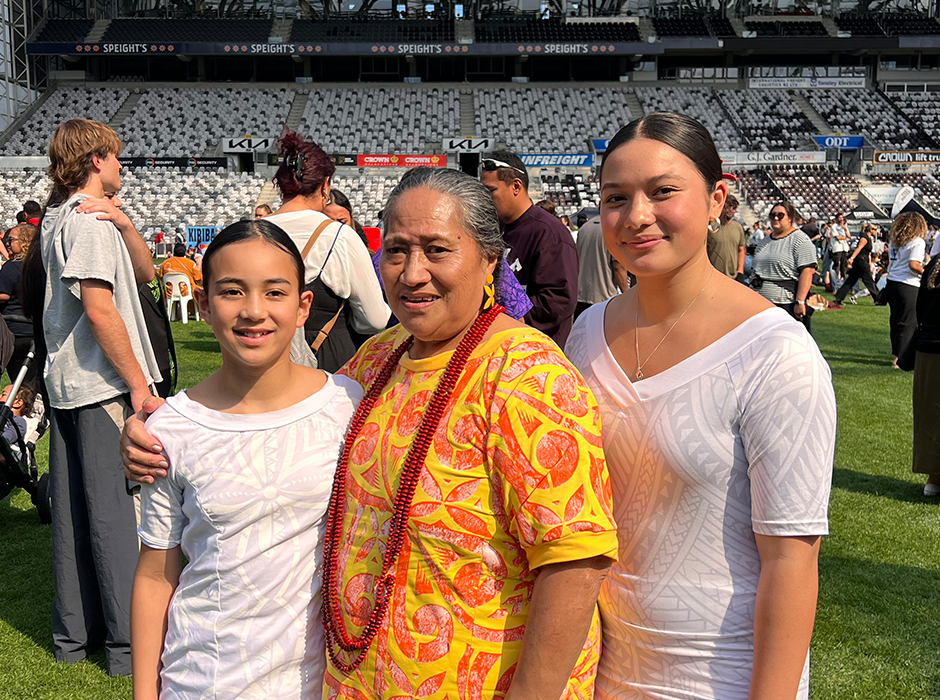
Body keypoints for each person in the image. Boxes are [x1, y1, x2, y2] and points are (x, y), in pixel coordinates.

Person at [122, 168, 619, 700]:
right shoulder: (377, 360)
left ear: (489, 258)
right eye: (398, 250)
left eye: (436, 249)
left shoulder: (528, 375)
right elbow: (283, 416)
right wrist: (161, 430)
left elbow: (575, 562)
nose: (412, 273)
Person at [566, 111, 835, 700]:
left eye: (663, 192)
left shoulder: (776, 355)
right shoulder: (586, 333)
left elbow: (792, 563)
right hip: (596, 668)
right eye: (616, 198)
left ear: (717, 199)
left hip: (719, 677)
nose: (637, 216)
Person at [130, 220, 362, 699]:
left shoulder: (348, 404)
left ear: (302, 307)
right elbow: (156, 575)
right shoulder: (171, 429)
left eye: (274, 293)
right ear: (203, 306)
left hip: (319, 682)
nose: (254, 312)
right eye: (233, 292)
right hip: (204, 680)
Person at [40, 118, 162, 676]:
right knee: (116, 515)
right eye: (115, 157)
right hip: (100, 384)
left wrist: (124, 221)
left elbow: (144, 273)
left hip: (68, 382)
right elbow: (99, 306)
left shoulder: (68, 217)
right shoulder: (86, 223)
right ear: (95, 161)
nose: (122, 166)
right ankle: (125, 646)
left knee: (74, 515)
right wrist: (138, 382)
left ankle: (74, 637)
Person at [265, 132, 389, 372]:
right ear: (325, 186)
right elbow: (374, 320)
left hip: (263, 359)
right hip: (327, 356)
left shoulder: (248, 233)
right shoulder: (339, 236)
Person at [480, 152, 579, 348]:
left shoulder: (549, 232)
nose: (486, 199)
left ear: (516, 186)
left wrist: (510, 319)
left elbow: (559, 299)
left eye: (490, 191)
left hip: (538, 350)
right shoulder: (496, 227)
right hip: (501, 342)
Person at [751, 201, 817, 333]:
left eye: (780, 215)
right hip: (760, 303)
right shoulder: (765, 241)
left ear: (790, 217)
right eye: (772, 215)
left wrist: (800, 301)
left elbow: (807, 272)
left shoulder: (800, 240)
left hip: (785, 304)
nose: (775, 218)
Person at [883, 212, 927, 368]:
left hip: (892, 283)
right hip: (908, 284)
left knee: (895, 321)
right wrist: (926, 272)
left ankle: (896, 352)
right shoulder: (917, 242)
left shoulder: (895, 241)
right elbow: (913, 265)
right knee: (908, 322)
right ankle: (900, 358)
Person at [913, 252, 940, 497]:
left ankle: (934, 479)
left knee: (931, 417)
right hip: (931, 345)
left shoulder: (934, 265)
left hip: (928, 348)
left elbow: (919, 309)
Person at [0, 223, 37, 385]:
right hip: (33, 330)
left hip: (12, 330)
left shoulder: (12, 267)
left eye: (11, 239)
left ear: (23, 241)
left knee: (17, 380)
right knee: (30, 381)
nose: (8, 243)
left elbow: (3, 295)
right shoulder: (37, 267)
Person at [575, 214, 620, 320]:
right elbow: (618, 268)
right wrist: (627, 293)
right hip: (604, 296)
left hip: (581, 294)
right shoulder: (611, 229)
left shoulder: (584, 228)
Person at [830, 222, 881, 309]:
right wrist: (852, 258)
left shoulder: (869, 238)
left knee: (851, 280)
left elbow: (868, 253)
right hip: (860, 261)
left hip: (862, 260)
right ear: (870, 230)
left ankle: (839, 297)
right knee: (868, 280)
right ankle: (878, 299)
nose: (876, 231)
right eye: (875, 229)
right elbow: (859, 248)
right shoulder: (864, 238)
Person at [706, 193, 746, 281]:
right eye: (728, 206)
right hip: (712, 276)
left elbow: (741, 250)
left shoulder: (738, 227)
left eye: (734, 208)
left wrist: (740, 271)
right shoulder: (710, 225)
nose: (731, 210)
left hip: (733, 277)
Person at [829, 213, 850, 280]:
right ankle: (836, 276)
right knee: (837, 263)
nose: (841, 219)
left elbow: (849, 236)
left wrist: (845, 230)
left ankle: (843, 276)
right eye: (840, 218)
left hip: (844, 247)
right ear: (836, 219)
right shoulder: (834, 227)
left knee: (844, 263)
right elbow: (837, 237)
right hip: (837, 247)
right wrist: (845, 237)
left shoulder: (845, 226)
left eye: (842, 218)